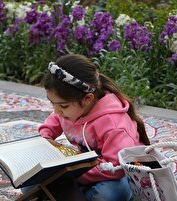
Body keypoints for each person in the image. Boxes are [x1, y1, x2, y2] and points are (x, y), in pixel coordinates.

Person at [38, 54, 150, 201]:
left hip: (117, 173)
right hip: (84, 168)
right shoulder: (69, 111)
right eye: (53, 104)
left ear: (87, 99)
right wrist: (45, 137)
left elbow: (116, 168)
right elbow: (53, 123)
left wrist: (73, 176)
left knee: (107, 195)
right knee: (31, 184)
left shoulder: (113, 124)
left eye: (63, 106)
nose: (57, 111)